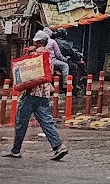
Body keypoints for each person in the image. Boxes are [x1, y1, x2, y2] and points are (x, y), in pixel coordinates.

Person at [4, 31, 68, 161]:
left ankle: (16, 150)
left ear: (39, 42)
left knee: (21, 121)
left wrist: (28, 53)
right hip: (44, 94)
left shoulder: (35, 55)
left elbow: (26, 71)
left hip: (31, 93)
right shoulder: (49, 56)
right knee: (46, 121)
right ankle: (58, 146)